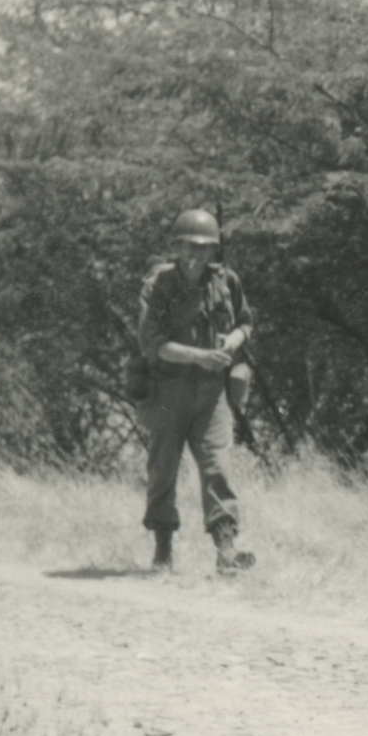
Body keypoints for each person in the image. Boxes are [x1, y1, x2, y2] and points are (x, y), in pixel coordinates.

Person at [132, 207, 257, 576]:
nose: (195, 255)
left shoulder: (226, 282)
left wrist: (229, 347)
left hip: (211, 393)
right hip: (169, 390)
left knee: (218, 468)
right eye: (188, 247)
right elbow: (153, 343)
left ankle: (226, 551)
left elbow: (245, 324)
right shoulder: (158, 286)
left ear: (213, 251)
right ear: (177, 247)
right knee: (163, 470)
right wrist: (199, 356)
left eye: (204, 248)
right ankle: (163, 549)